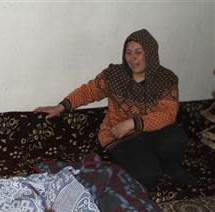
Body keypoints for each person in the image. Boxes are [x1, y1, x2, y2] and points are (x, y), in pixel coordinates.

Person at [35, 29, 195, 190]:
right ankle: (141, 163)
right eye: (128, 53)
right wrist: (61, 106)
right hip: (119, 137)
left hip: (148, 132)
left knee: (176, 137)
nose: (132, 58)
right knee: (148, 175)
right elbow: (88, 91)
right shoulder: (114, 76)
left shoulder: (166, 79)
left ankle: (171, 167)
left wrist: (132, 123)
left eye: (138, 52)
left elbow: (168, 114)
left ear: (151, 53)